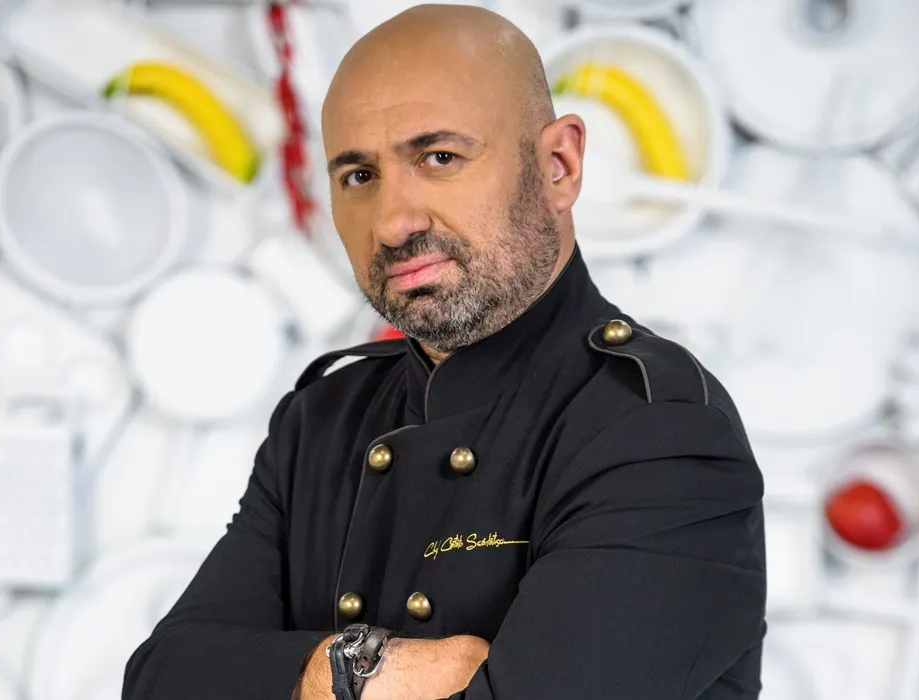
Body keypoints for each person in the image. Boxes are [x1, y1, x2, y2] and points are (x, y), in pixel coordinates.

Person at [121, 4, 767, 699]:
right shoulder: (322, 419)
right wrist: (353, 671)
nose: (394, 222)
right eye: (358, 176)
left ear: (559, 166)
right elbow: (161, 679)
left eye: (439, 158)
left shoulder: (660, 429)